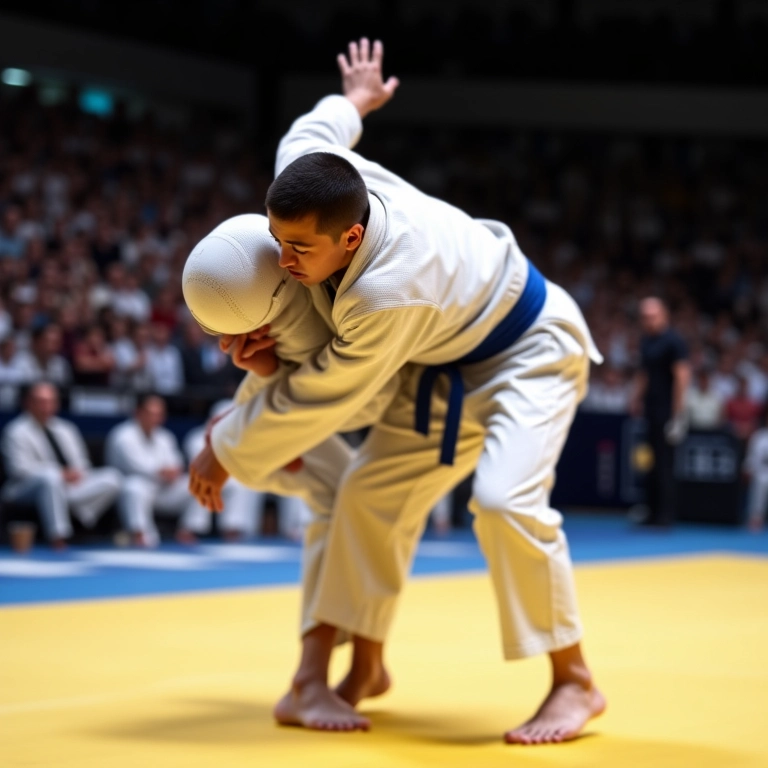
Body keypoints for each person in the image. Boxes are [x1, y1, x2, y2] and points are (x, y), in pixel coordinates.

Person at [190, 39, 605, 743]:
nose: (284, 265)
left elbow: (333, 396)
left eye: (300, 251)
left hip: (528, 348)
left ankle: (574, 682)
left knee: (503, 502)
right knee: (365, 495)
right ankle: (366, 664)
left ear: (351, 238)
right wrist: (356, 100)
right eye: (276, 241)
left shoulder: (387, 292)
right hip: (442, 361)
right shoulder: (308, 182)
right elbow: (316, 131)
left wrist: (226, 445)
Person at [0, 381, 122, 548]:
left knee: (112, 477)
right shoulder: (15, 431)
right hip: (25, 487)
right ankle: (58, 535)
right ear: (28, 403)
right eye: (41, 401)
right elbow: (19, 469)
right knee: (50, 477)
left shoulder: (67, 428)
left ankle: (78, 512)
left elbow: (82, 463)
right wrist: (60, 473)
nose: (46, 406)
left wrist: (76, 473)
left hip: (67, 488)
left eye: (51, 401)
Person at [181, 399, 313, 541]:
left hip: (249, 475)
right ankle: (200, 529)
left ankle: (296, 528)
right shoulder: (196, 438)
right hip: (219, 479)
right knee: (227, 484)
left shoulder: (244, 436)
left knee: (293, 479)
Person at [104, 393, 199, 547]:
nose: (156, 418)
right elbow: (135, 467)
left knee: (197, 484)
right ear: (139, 412)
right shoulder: (122, 435)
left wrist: (174, 471)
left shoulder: (165, 436)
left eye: (160, 414)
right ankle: (140, 534)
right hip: (132, 489)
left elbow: (176, 462)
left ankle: (188, 530)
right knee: (134, 487)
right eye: (151, 414)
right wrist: (161, 472)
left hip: (162, 489)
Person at [630, 297, 691, 527]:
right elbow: (644, 373)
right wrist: (635, 398)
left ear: (664, 315)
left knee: (665, 464)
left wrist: (677, 414)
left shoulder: (674, 341)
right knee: (649, 463)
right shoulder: (646, 341)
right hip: (650, 409)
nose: (648, 321)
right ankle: (651, 512)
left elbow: (682, 377)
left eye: (652, 316)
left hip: (667, 410)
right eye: (644, 317)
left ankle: (665, 516)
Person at [743, 411, 768, 532]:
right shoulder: (759, 436)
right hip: (762, 471)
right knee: (761, 480)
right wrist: (748, 469)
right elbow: (752, 457)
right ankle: (756, 517)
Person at [685, 367, 725, 431]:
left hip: (712, 432)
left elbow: (722, 418)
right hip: (693, 431)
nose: (704, 382)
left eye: (706, 379)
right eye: (702, 379)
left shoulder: (717, 396)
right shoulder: (689, 395)